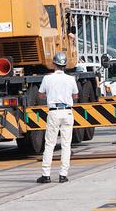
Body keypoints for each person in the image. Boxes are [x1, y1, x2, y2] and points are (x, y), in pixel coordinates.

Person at [36, 51, 78, 184]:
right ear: (65, 65)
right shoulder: (71, 79)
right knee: (66, 144)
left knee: (49, 144)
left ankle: (46, 175)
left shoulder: (47, 79)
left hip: (54, 112)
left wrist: (50, 95)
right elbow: (75, 95)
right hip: (67, 112)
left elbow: (40, 95)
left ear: (54, 64)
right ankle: (63, 175)